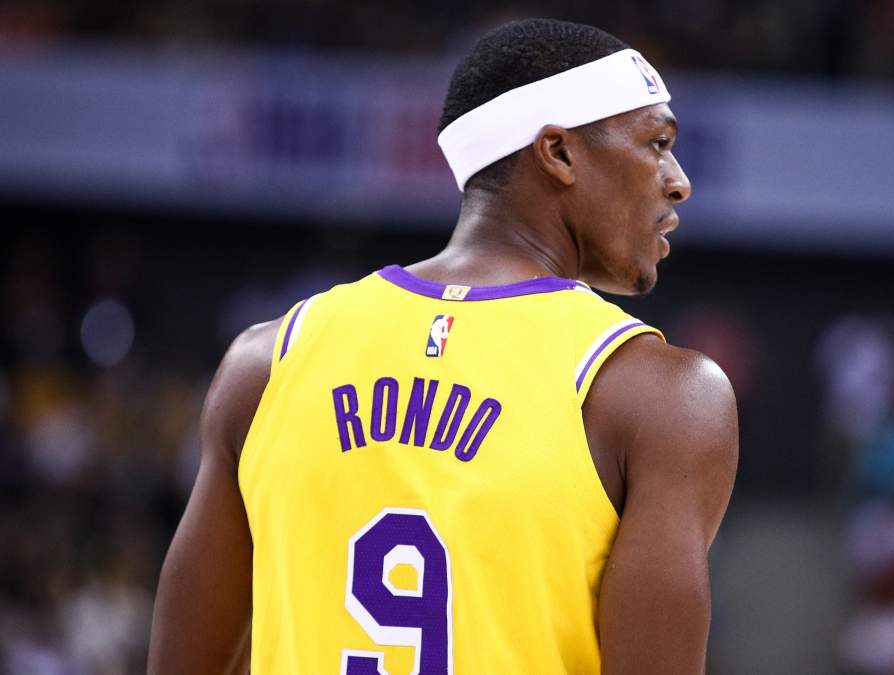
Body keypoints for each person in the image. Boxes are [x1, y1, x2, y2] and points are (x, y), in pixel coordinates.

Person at [148, 17, 738, 675]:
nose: (678, 180)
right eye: (658, 143)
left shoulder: (267, 362)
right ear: (559, 153)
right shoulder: (659, 395)